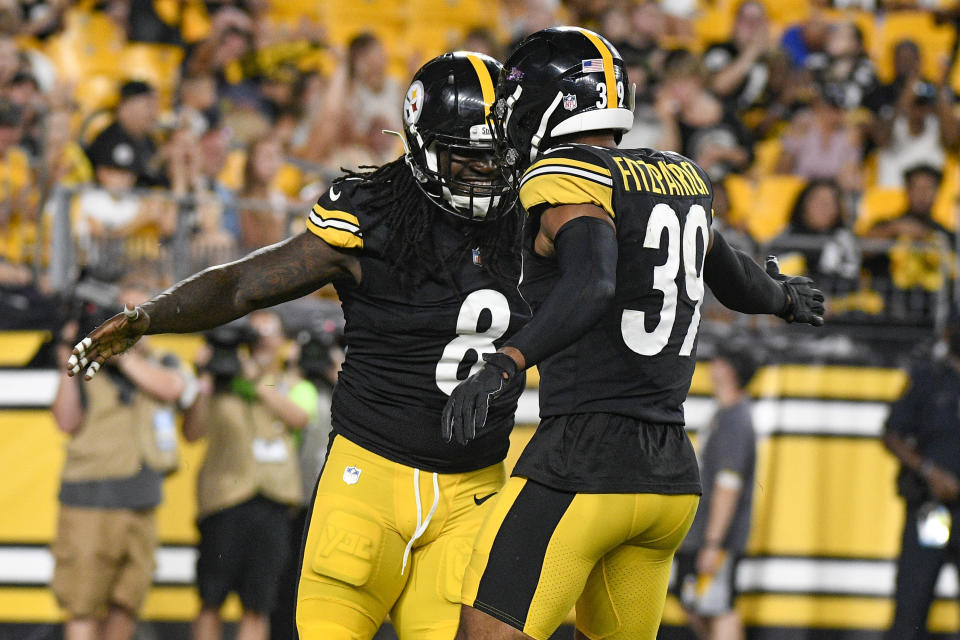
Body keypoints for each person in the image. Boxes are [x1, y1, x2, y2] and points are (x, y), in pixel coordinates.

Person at [66, 52, 529, 640]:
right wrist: (150, 316)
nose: (485, 170)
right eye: (467, 153)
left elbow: (590, 295)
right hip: (371, 481)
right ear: (421, 145)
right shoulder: (372, 214)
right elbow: (242, 285)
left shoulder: (534, 217)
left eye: (498, 152)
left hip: (474, 491)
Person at [440, 27, 824, 640]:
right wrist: (784, 297)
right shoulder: (677, 176)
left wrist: (505, 361)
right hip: (669, 476)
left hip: (583, 462)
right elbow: (733, 278)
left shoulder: (564, 176)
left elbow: (592, 281)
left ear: (547, 103)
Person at [50, 281, 195, 640]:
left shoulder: (163, 359)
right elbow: (65, 421)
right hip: (89, 504)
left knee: (127, 604)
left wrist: (123, 355)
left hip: (142, 504)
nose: (126, 322)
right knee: (82, 606)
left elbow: (173, 388)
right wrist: (67, 356)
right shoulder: (84, 360)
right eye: (120, 314)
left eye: (136, 314)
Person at [882, 315, 960, 640]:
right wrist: (929, 471)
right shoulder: (930, 378)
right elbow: (892, 433)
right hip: (934, 511)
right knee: (914, 602)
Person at [674, 344, 758, 640]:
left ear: (730, 370)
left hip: (715, 537)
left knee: (718, 607)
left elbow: (728, 486)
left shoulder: (735, 419)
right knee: (698, 604)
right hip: (704, 534)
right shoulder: (726, 414)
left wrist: (713, 543)